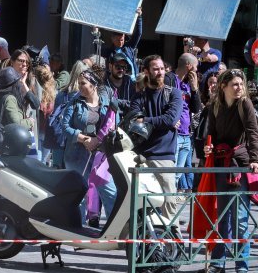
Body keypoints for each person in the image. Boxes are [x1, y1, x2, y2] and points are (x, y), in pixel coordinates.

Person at [201, 69, 258, 273]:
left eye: (241, 84)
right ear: (223, 86)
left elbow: (253, 133)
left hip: (240, 166)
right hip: (221, 164)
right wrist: (209, 147)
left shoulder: (245, 104)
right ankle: (218, 263)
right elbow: (212, 134)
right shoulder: (215, 106)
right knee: (222, 217)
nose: (239, 88)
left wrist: (255, 159)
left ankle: (242, 266)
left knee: (240, 219)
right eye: (235, 84)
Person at [130, 55, 183, 229]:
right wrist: (160, 121)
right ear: (146, 71)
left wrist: (145, 120)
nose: (160, 72)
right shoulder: (139, 97)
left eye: (162, 68)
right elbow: (134, 122)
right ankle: (142, 240)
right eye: (155, 69)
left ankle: (171, 239)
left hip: (164, 157)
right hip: (141, 157)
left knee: (169, 202)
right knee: (140, 203)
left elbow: (170, 119)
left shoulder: (173, 93)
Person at [62, 69, 117, 225]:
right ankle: (78, 229)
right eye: (79, 83)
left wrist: (98, 141)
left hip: (101, 156)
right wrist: (84, 139)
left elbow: (114, 125)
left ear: (94, 85)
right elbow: (65, 127)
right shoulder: (75, 102)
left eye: (83, 83)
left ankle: (115, 229)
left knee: (109, 192)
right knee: (80, 195)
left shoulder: (107, 103)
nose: (79, 87)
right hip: (77, 156)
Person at [172, 53, 201, 195]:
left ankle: (171, 201)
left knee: (178, 174)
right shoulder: (171, 80)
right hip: (175, 135)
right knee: (171, 173)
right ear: (189, 66)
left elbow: (196, 108)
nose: (196, 71)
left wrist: (195, 89)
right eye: (195, 68)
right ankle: (166, 203)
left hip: (186, 135)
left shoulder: (187, 85)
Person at [100, 7, 142, 77]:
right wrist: (95, 33)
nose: (120, 42)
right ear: (112, 39)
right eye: (118, 40)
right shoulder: (109, 52)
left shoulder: (129, 47)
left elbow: (138, 34)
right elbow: (98, 48)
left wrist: (139, 17)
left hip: (134, 80)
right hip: (119, 81)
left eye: (122, 40)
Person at [34, 62, 57, 164]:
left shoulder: (34, 92)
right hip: (49, 132)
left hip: (37, 131)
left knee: (37, 160)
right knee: (43, 161)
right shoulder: (54, 93)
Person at [105, 52, 137, 118]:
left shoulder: (130, 84)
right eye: (118, 67)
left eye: (124, 67)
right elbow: (106, 103)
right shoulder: (104, 83)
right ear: (110, 67)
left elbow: (135, 104)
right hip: (109, 119)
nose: (121, 70)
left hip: (127, 120)